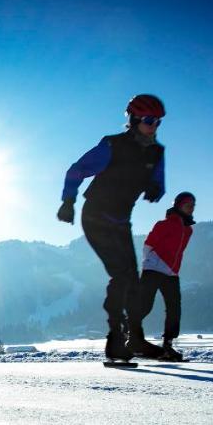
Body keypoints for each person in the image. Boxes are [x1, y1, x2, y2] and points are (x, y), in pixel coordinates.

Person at [58, 94, 167, 362]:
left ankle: (137, 339)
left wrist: (156, 187)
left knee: (134, 281)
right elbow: (76, 170)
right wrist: (68, 202)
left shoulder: (156, 152)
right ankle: (115, 341)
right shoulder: (112, 146)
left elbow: (159, 180)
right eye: (149, 121)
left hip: (120, 221)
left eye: (158, 122)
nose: (154, 127)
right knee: (121, 276)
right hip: (96, 215)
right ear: (133, 120)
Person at [140, 192, 196, 362]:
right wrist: (150, 262)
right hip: (153, 268)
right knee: (144, 305)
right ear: (178, 205)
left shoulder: (188, 230)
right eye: (188, 204)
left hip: (171, 273)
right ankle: (126, 335)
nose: (191, 207)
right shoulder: (164, 224)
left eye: (193, 205)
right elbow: (148, 245)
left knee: (174, 309)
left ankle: (167, 346)